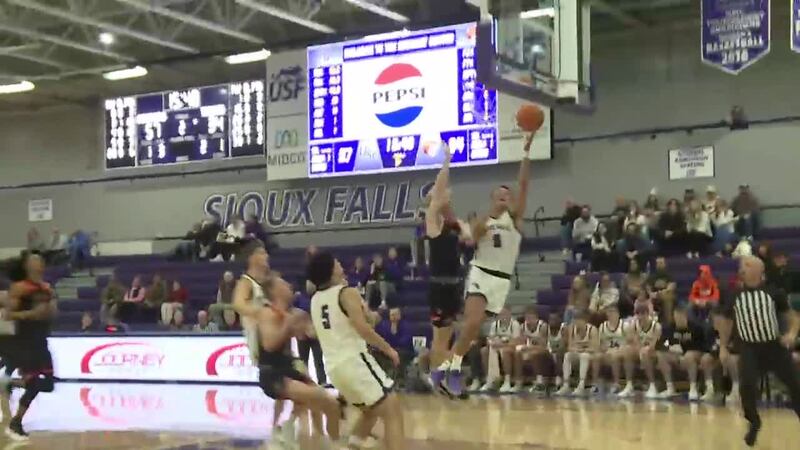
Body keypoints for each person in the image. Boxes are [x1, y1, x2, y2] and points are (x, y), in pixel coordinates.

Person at [437, 132, 534, 397]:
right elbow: (471, 238)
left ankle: (444, 367)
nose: (505, 198)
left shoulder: (516, 221)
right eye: (500, 196)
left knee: (474, 329)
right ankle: (452, 371)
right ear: (493, 200)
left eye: (508, 195)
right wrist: (488, 216)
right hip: (481, 273)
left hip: (502, 280)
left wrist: (526, 152)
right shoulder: (484, 221)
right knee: (473, 321)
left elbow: (524, 184)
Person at [307, 252, 405, 450]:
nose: (339, 263)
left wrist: (368, 315)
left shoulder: (315, 300)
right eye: (335, 262)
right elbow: (362, 328)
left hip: (334, 369)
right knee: (392, 408)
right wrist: (388, 349)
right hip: (354, 361)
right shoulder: (346, 292)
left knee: (370, 412)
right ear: (330, 270)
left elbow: (341, 323)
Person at [717, 256, 800, 447]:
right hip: (749, 348)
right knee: (746, 388)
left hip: (773, 347)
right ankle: (754, 422)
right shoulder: (735, 295)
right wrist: (723, 346)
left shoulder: (774, 292)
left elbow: (793, 317)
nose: (741, 269)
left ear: (756, 269)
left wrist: (791, 334)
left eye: (745, 265)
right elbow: (726, 323)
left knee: (795, 385)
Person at [254, 275, 343, 447]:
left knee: (331, 404)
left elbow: (310, 333)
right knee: (318, 397)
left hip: (289, 367)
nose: (289, 285)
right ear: (274, 291)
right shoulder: (267, 313)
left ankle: (328, 442)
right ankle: (282, 429)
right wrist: (288, 324)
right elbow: (270, 344)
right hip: (272, 372)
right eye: (284, 283)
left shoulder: (291, 312)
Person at [424, 146, 473, 391]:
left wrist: (460, 224)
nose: (446, 195)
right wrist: (447, 160)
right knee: (439, 339)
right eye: (442, 194)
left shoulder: (455, 225)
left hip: (455, 285)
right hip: (440, 285)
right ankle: (438, 380)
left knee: (450, 335)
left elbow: (468, 237)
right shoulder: (432, 223)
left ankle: (440, 376)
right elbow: (440, 191)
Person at [2, 252, 57, 440]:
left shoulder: (47, 288)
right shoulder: (19, 288)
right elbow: (8, 315)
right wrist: (31, 313)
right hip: (25, 342)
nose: (38, 263)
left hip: (41, 341)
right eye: (34, 260)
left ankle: (11, 383)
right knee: (33, 384)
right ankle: (16, 422)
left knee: (49, 384)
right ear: (27, 266)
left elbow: (50, 313)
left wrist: (50, 311)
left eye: (40, 260)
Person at [657, 305, 716, 400]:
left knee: (689, 356)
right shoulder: (670, 328)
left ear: (685, 316)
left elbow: (703, 347)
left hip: (694, 354)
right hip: (677, 355)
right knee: (661, 355)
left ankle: (693, 388)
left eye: (680, 316)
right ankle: (670, 387)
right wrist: (669, 347)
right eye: (675, 316)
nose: (677, 319)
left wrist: (686, 352)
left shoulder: (696, 328)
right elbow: (662, 343)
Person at [555, 310, 598, 396]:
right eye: (575, 320)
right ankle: (566, 385)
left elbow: (595, 348)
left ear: (584, 321)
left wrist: (582, 349)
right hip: (577, 353)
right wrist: (575, 349)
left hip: (590, 355)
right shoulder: (572, 328)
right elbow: (570, 346)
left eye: (579, 320)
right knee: (567, 355)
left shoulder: (592, 329)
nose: (576, 323)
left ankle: (581, 385)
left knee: (584, 356)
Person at [480, 307, 522, 393]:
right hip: (496, 347)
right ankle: (490, 379)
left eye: (506, 314)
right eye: (501, 314)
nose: (504, 316)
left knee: (505, 351)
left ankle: (507, 381)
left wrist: (501, 344)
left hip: (510, 348)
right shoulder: (494, 325)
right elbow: (490, 338)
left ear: (510, 314)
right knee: (484, 350)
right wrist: (491, 343)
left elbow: (516, 342)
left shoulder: (515, 324)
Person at [592, 305, 630, 395]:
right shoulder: (602, 326)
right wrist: (602, 349)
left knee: (614, 355)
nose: (611, 314)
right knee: (596, 356)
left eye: (613, 312)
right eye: (609, 312)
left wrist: (618, 349)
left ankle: (616, 384)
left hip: (621, 352)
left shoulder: (624, 326)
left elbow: (629, 343)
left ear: (618, 314)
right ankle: (595, 383)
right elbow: (599, 344)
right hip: (607, 352)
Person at [628, 304, 663, 399]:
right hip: (641, 350)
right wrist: (640, 350)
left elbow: (654, 345)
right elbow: (636, 343)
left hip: (656, 351)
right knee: (628, 353)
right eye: (638, 314)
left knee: (646, 353)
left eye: (643, 314)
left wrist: (644, 351)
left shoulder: (656, 326)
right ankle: (629, 385)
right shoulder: (634, 326)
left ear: (648, 314)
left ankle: (652, 385)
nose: (640, 317)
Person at [375, 308, 414, 386]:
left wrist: (390, 346)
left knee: (399, 354)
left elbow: (405, 341)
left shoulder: (406, 325)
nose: (393, 317)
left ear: (399, 315)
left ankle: (400, 380)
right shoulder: (384, 325)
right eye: (391, 315)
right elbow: (379, 338)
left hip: (404, 350)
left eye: (395, 314)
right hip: (387, 350)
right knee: (375, 352)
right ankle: (380, 378)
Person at [515, 306, 549, 393]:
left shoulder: (543, 326)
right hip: (529, 349)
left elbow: (543, 345)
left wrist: (530, 342)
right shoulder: (522, 327)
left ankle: (539, 382)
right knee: (517, 352)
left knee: (534, 353)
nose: (529, 319)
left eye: (531, 317)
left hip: (545, 350)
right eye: (527, 317)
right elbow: (520, 342)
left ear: (536, 317)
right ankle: (519, 381)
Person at [646, 257, 677, 324]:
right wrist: (651, 293)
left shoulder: (668, 276)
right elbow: (647, 287)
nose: (659, 265)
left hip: (666, 295)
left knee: (667, 297)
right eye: (658, 263)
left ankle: (669, 323)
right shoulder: (652, 276)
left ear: (665, 264)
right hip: (654, 296)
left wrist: (665, 291)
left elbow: (672, 286)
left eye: (661, 263)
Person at [546, 312, 567, 390]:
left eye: (554, 319)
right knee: (542, 354)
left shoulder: (563, 328)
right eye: (550, 319)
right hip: (550, 352)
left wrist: (553, 350)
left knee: (559, 354)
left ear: (559, 320)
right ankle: (542, 381)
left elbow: (563, 345)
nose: (552, 321)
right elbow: (544, 343)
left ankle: (558, 381)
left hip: (562, 353)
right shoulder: (546, 329)